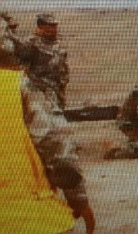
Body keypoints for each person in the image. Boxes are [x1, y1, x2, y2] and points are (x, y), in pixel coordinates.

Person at [6, 13, 95, 232]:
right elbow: (55, 146)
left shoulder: (56, 43)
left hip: (54, 94)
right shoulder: (30, 47)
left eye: (55, 25)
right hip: (40, 96)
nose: (53, 28)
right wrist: (78, 197)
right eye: (49, 26)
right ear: (39, 27)